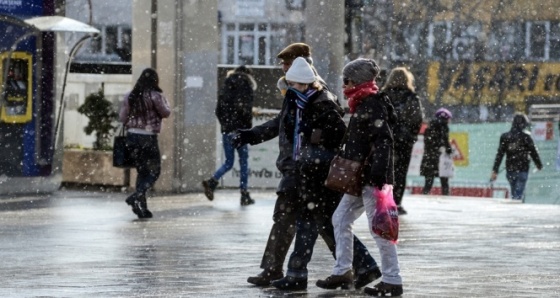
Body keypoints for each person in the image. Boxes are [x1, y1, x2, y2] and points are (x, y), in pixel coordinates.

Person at [233, 43, 380, 289]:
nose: (283, 68)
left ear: (302, 64)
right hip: (297, 168)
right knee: (301, 219)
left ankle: (302, 272)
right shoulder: (295, 95)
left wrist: (316, 147)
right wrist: (252, 135)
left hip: (312, 171)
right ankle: (356, 268)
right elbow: (280, 123)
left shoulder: (319, 96)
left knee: (316, 221)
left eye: (286, 63)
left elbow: (338, 135)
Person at [316, 58, 403, 296]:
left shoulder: (371, 104)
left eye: (347, 81)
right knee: (340, 219)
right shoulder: (361, 103)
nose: (344, 86)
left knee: (380, 229)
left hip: (371, 179)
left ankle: (393, 280)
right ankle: (343, 271)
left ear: (357, 81)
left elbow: (384, 140)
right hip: (360, 178)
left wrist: (378, 176)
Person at [119, 68, 171, 219]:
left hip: (132, 137)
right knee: (154, 171)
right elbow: (166, 113)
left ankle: (142, 207)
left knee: (142, 171)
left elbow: (123, 118)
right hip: (148, 138)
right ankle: (137, 196)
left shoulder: (130, 96)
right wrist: (164, 101)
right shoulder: (155, 96)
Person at [202, 65, 257, 206]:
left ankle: (212, 181)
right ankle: (244, 194)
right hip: (241, 131)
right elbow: (245, 110)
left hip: (227, 130)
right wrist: (246, 128)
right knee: (243, 161)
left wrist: (226, 125)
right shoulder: (246, 86)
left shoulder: (226, 85)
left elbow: (218, 110)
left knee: (229, 162)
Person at [382, 67, 424, 215]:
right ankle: (397, 203)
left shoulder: (384, 95)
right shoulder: (412, 97)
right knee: (401, 171)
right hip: (404, 141)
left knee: (386, 170)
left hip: (386, 139)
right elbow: (417, 119)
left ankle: (384, 201)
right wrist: (411, 135)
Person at [490, 113, 543, 200]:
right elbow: (533, 152)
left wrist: (495, 170)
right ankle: (516, 209)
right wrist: (539, 164)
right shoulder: (526, 137)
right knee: (518, 195)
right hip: (523, 169)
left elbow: (499, 155)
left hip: (510, 170)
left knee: (514, 192)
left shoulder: (505, 137)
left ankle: (514, 206)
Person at [420, 108, 453, 195]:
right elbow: (444, 141)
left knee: (428, 181)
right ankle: (446, 198)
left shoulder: (429, 126)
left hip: (429, 157)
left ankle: (424, 197)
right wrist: (448, 149)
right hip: (440, 158)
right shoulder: (443, 127)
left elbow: (427, 142)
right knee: (444, 181)